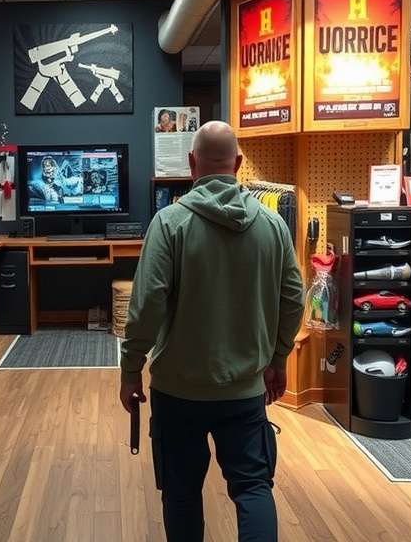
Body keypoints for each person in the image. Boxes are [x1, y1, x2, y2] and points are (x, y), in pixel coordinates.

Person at [120, 121, 304, 542]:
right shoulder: (273, 226)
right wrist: (277, 359)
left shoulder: (169, 223)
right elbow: (294, 300)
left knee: (182, 493)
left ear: (191, 164)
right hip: (245, 391)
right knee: (254, 489)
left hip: (177, 392)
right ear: (238, 164)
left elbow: (145, 307)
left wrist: (130, 370)